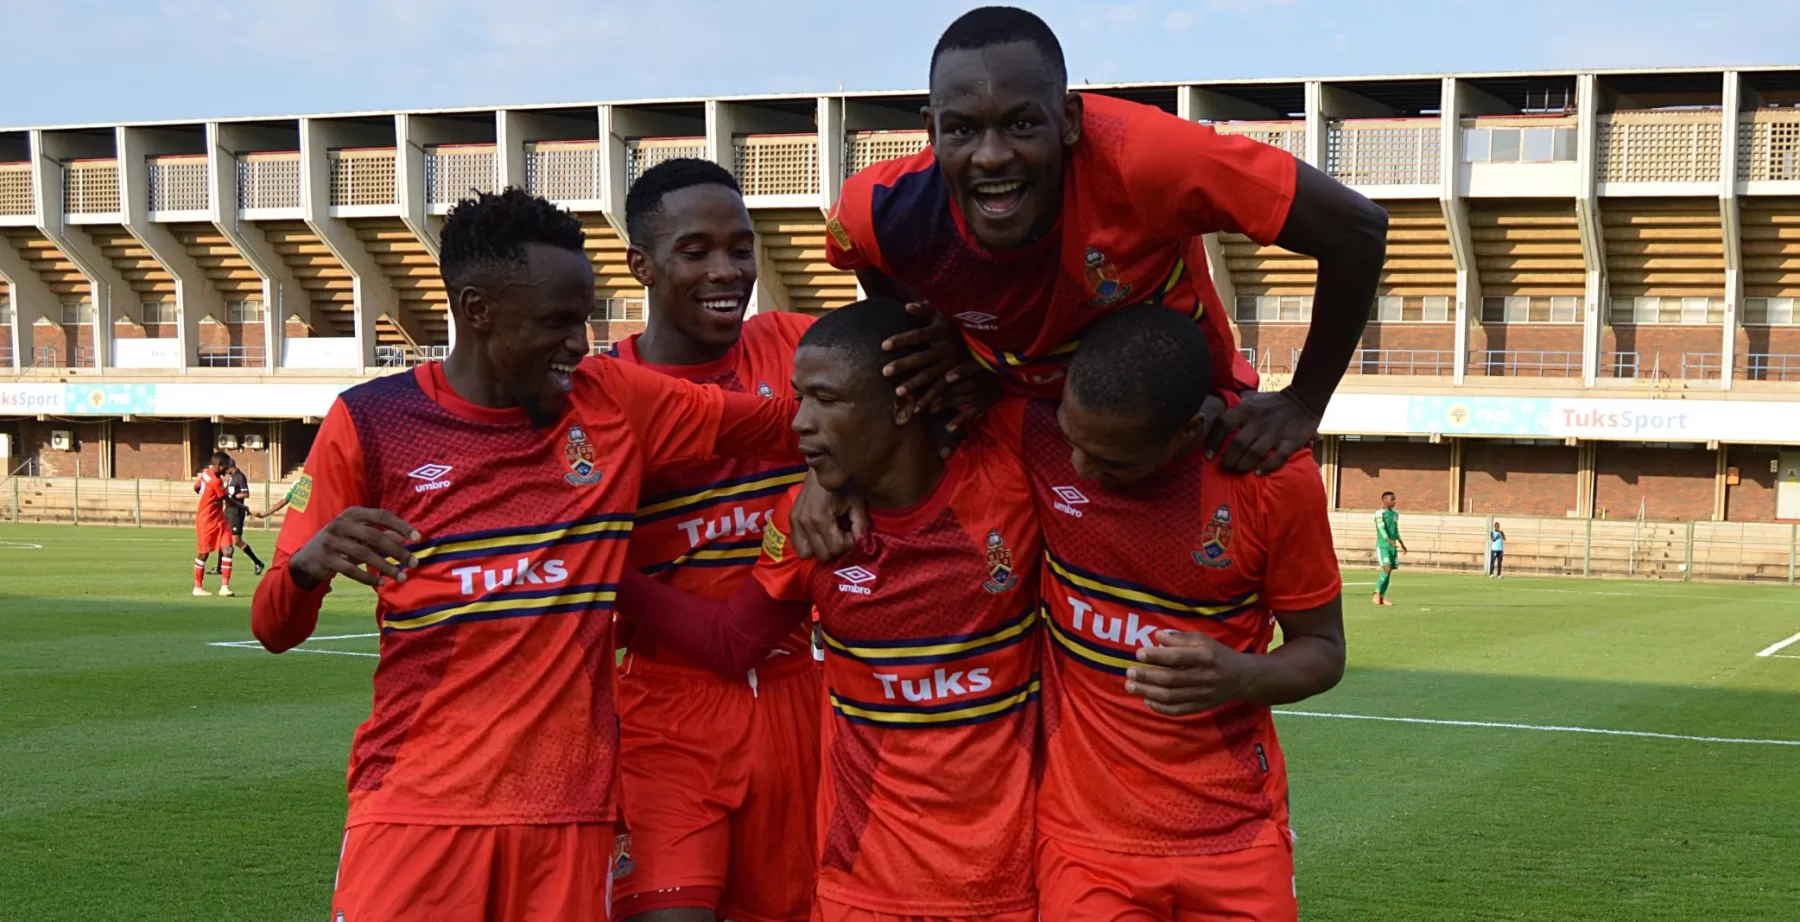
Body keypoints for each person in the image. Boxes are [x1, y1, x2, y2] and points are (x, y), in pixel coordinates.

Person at [249, 189, 799, 922]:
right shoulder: (369, 421)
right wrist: (306, 567)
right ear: (477, 310)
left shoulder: (610, 399)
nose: (579, 344)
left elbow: (780, 426)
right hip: (414, 812)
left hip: (568, 821)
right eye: (555, 323)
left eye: (585, 319)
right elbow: (273, 627)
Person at [616, 298, 1044, 922]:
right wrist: (599, 567)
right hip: (862, 883)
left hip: (1004, 880)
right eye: (799, 399)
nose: (798, 424)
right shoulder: (806, 524)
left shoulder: (1009, 481)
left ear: (903, 404)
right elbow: (734, 641)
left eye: (825, 400)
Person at [826, 5, 1387, 475]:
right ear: (931, 131)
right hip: (1013, 422)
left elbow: (1356, 228)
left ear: (1069, 119)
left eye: (1022, 124)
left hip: (1175, 430)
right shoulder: (878, 210)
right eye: (963, 129)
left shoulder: (1146, 159)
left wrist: (1304, 401)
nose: (991, 156)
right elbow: (861, 253)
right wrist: (941, 334)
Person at [1024, 305, 1345, 922]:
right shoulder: (1031, 434)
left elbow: (1325, 650)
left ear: (1188, 432)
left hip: (1236, 834)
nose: (1081, 469)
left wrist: (1238, 675)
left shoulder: (1274, 481)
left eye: (1115, 462)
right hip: (1087, 845)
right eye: (1071, 439)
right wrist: (830, 484)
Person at [607, 158, 820, 922]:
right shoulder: (605, 396)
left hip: (803, 691)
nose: (727, 271)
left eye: (741, 247)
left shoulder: (798, 347)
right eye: (695, 251)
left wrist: (836, 475)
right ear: (642, 264)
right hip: (666, 707)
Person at [192, 452, 236, 597]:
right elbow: (226, 499)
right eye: (226, 467)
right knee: (203, 554)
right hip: (206, 520)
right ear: (220, 465)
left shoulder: (206, 473)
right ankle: (197, 587)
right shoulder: (216, 481)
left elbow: (196, 487)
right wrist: (243, 507)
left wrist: (205, 496)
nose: (227, 470)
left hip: (220, 519)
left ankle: (224, 587)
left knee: (228, 550)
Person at [221, 458, 267, 576]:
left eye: (226, 468)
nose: (224, 471)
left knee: (236, 540)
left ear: (230, 466)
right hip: (228, 510)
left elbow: (245, 493)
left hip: (236, 512)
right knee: (224, 537)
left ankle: (258, 562)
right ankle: (219, 567)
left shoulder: (239, 477)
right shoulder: (232, 477)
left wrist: (233, 496)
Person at [1374, 491, 1406, 605]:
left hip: (1392, 546)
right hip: (1383, 546)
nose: (1394, 501)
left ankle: (1382, 597)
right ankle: (1376, 593)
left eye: (1394, 499)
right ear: (1384, 500)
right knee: (1387, 568)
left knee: (1389, 571)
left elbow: (1395, 529)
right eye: (1392, 499)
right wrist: (1388, 540)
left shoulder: (1396, 513)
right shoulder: (1379, 513)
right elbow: (1381, 528)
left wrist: (1402, 543)